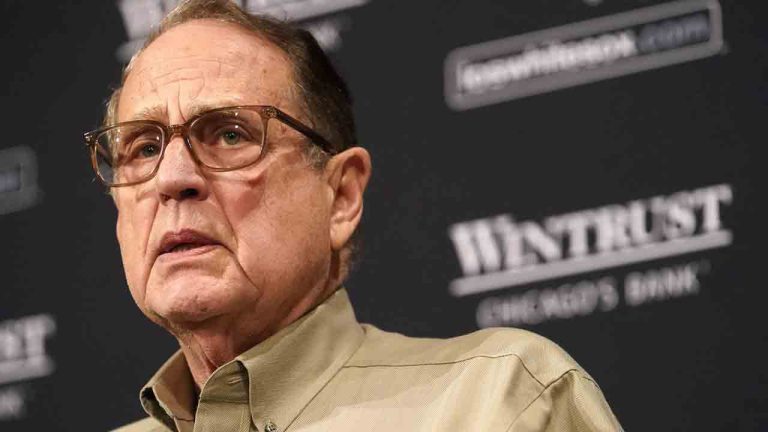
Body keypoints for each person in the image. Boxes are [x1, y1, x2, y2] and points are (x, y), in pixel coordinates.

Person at [84, 1, 622, 431]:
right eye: (142, 148)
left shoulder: (504, 404)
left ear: (340, 196)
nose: (173, 178)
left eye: (230, 134)